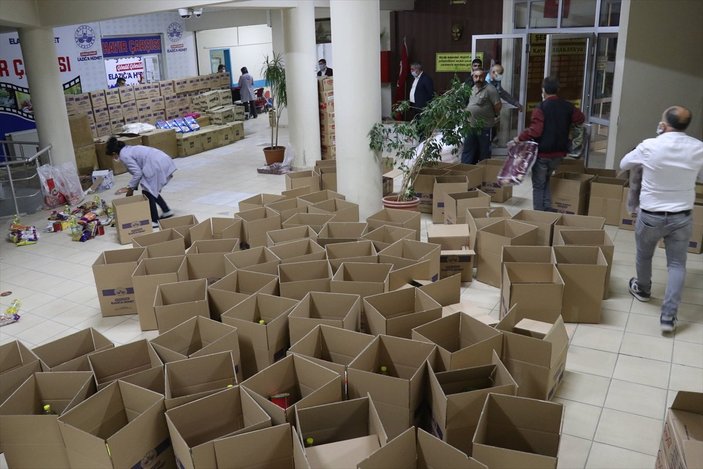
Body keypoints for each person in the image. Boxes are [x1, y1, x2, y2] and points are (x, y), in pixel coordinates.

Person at [619, 106, 703, 332]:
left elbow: (624, 164)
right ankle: (668, 317)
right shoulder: (698, 148)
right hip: (682, 218)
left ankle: (643, 290)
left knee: (644, 255)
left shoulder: (650, 145)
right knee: (677, 264)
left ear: (664, 125)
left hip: (650, 216)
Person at [514, 76, 584, 211]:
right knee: (546, 180)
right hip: (559, 153)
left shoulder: (541, 108)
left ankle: (540, 214)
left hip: (543, 154)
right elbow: (580, 118)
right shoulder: (568, 106)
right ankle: (547, 208)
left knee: (539, 185)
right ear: (557, 90)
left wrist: (520, 138)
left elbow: (535, 131)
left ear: (543, 90)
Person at [106, 137, 176, 229]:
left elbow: (137, 173)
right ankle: (166, 210)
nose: (113, 158)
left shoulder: (124, 155)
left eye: (112, 156)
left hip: (156, 164)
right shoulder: (128, 149)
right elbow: (138, 171)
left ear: (114, 153)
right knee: (151, 188)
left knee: (147, 192)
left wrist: (130, 189)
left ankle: (154, 220)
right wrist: (131, 187)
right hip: (162, 159)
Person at [461, 69, 501, 164]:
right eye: (476, 76)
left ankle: (483, 175)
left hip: (485, 127)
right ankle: (468, 173)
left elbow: (498, 106)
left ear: (484, 77)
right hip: (470, 127)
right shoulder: (472, 88)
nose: (478, 79)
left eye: (481, 76)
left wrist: (491, 115)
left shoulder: (490, 89)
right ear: (473, 77)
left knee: (484, 154)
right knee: (468, 152)